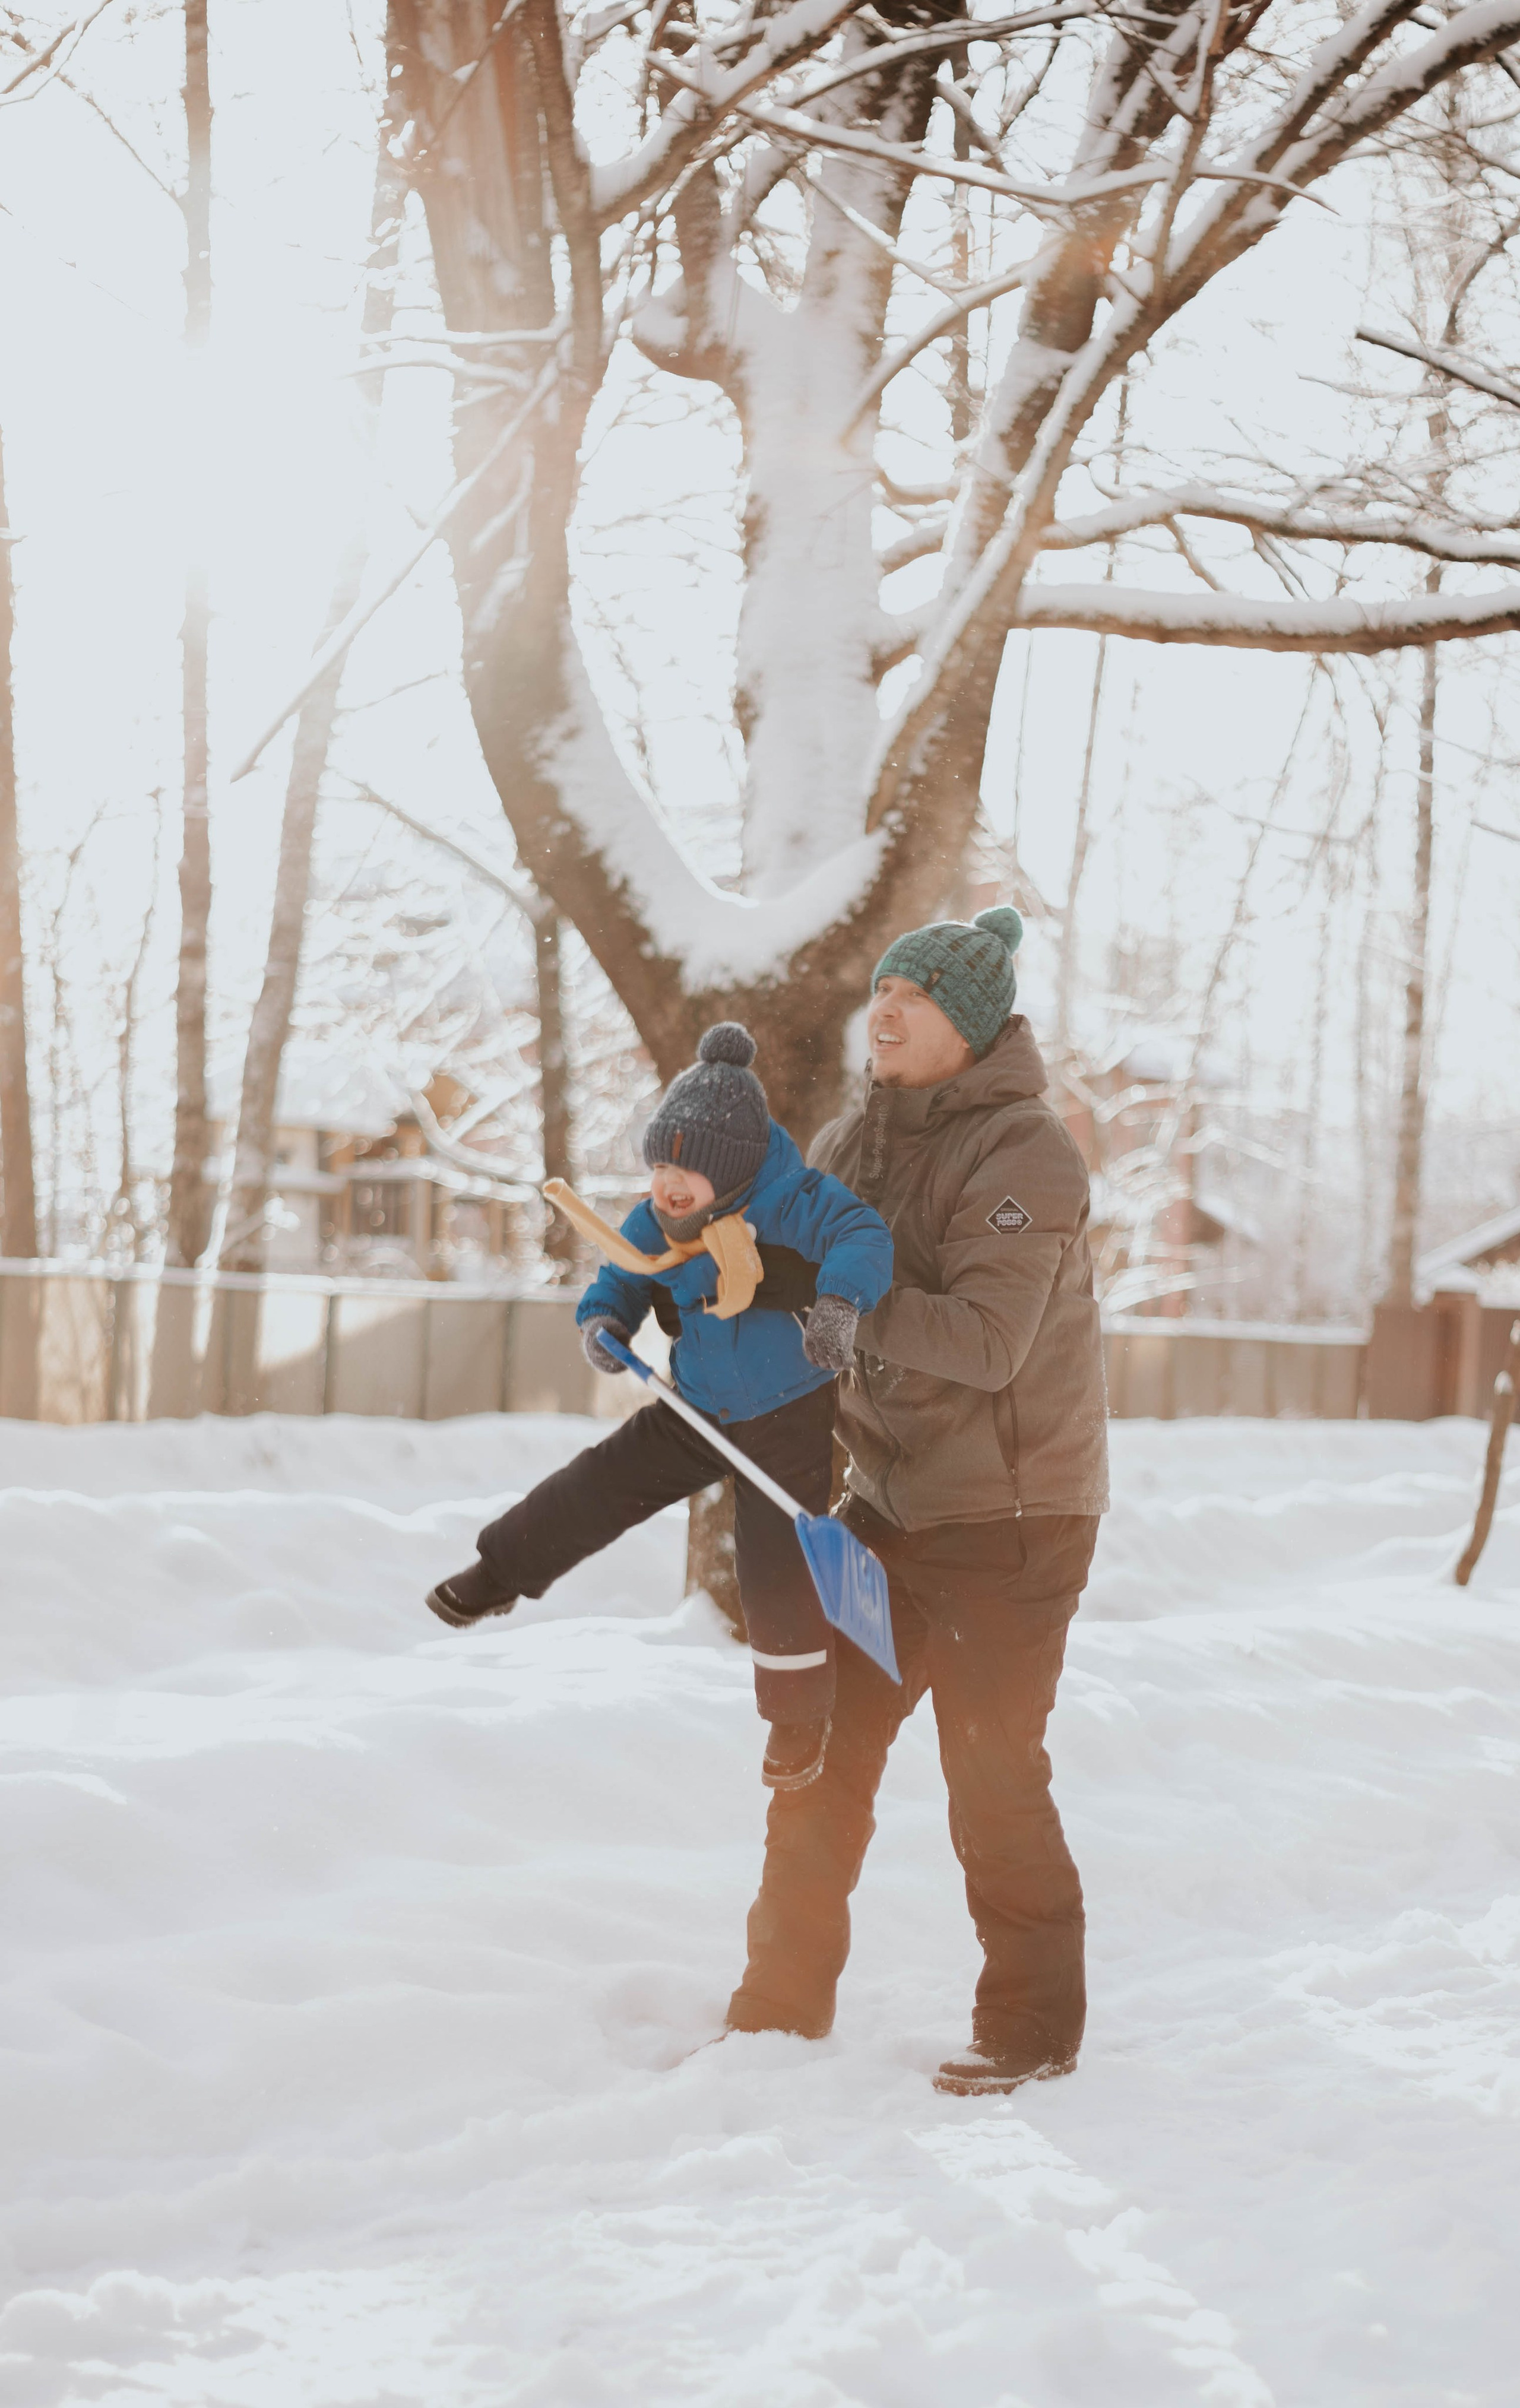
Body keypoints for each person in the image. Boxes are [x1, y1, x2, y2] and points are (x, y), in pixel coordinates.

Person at [725, 907, 1110, 2094]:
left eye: (915, 997)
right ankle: (774, 2018)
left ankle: (1030, 2035)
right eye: (879, 990)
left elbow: (991, 1341)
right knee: (819, 1761)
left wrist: (854, 1310)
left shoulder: (1025, 1153)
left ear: (973, 1024)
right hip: (889, 1506)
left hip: (1012, 1523)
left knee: (990, 1777)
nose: (882, 1012)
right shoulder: (854, 1137)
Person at [423, 1024, 894, 1792]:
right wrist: (603, 1322)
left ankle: (798, 1718)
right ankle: (499, 1570)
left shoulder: (792, 1200)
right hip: (698, 1401)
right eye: (662, 1164)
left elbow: (861, 1235)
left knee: (776, 1567)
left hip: (786, 1409)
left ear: (735, 1169)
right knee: (598, 1485)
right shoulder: (657, 1216)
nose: (670, 1184)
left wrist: (842, 1302)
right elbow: (622, 1275)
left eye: (690, 1171)